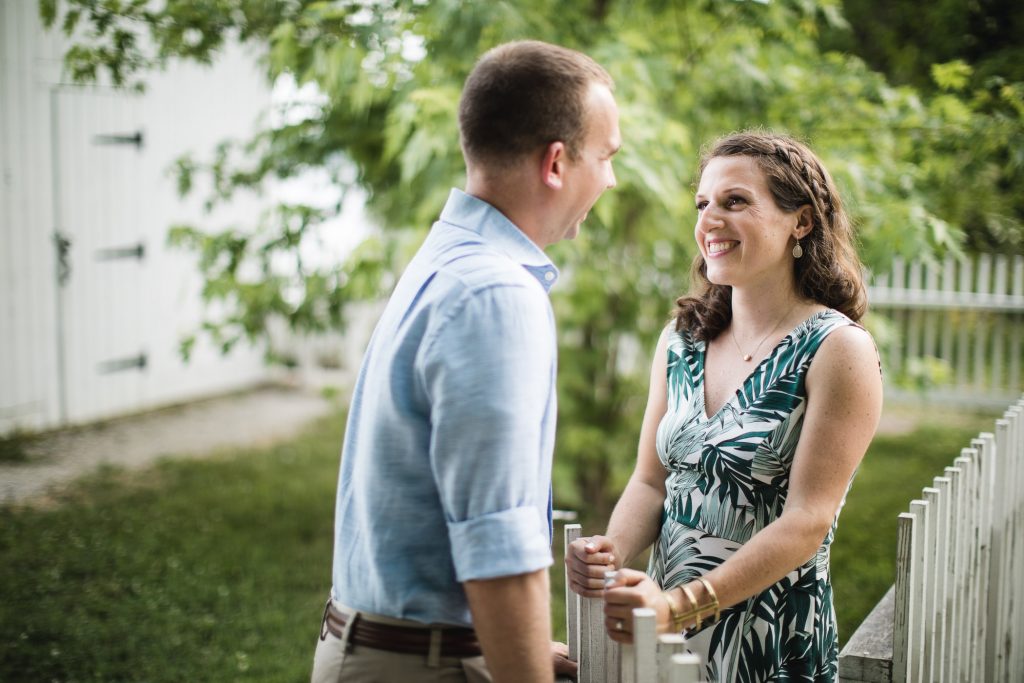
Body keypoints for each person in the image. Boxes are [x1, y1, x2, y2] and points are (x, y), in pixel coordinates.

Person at [312, 40, 621, 683]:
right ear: (557, 163)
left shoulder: (449, 257)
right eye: (606, 157)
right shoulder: (496, 293)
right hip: (423, 665)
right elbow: (498, 548)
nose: (611, 179)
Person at [565, 131, 882, 681]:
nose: (710, 219)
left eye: (735, 201)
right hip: (666, 638)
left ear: (800, 221)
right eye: (703, 203)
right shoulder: (680, 339)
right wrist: (608, 556)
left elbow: (808, 520)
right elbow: (649, 482)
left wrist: (683, 604)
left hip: (768, 639)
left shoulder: (837, 349)